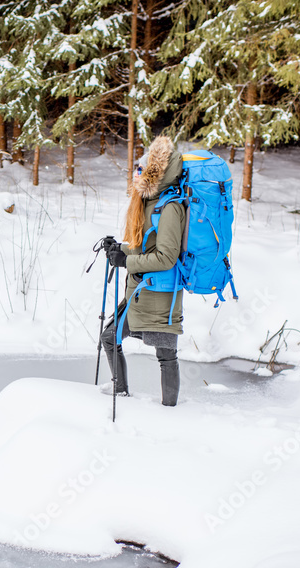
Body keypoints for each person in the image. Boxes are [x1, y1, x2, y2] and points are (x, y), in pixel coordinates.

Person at [100, 135, 185, 406]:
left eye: (145, 169)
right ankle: (120, 393)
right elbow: (144, 247)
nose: (139, 173)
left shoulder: (170, 207)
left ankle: (170, 410)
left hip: (160, 295)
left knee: (166, 355)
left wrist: (128, 262)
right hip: (141, 291)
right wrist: (120, 250)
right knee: (110, 336)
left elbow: (166, 258)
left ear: (156, 174)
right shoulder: (150, 202)